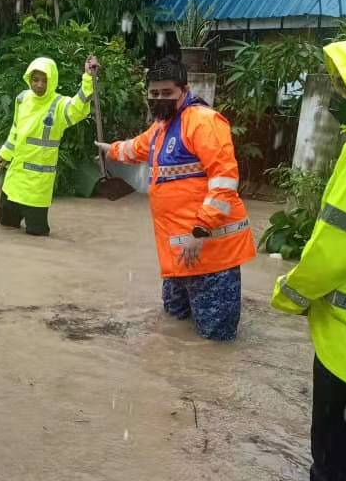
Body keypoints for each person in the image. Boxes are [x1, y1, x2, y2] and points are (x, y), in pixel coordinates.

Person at [271, 36, 346, 481]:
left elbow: (337, 248)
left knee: (335, 476)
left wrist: (292, 292)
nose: (337, 97)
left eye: (344, 87)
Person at [96, 56, 255, 341]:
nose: (159, 99)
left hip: (209, 250)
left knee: (215, 338)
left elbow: (224, 182)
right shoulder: (162, 127)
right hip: (178, 253)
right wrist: (112, 150)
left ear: (184, 90)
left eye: (166, 93)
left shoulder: (204, 123)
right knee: (173, 325)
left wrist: (201, 230)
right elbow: (137, 148)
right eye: (154, 94)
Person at [0, 55, 100, 236]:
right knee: (6, 225)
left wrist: (88, 78)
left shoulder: (59, 105)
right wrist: (3, 154)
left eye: (44, 81)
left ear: (52, 81)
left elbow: (78, 107)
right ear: (29, 79)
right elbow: (15, 131)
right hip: (16, 178)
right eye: (35, 80)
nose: (39, 85)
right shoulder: (22, 99)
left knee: (37, 233)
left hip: (38, 185)